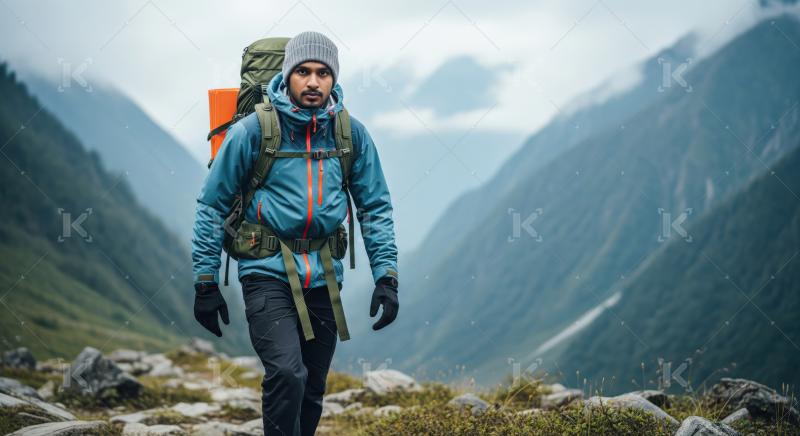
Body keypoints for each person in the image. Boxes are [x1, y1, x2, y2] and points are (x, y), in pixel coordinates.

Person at [190, 31, 399, 435]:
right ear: (287, 75)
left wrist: (386, 277)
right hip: (265, 272)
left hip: (324, 276)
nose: (313, 81)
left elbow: (374, 207)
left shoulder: (349, 134)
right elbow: (212, 205)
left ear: (334, 78)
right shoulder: (253, 131)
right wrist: (205, 281)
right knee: (287, 373)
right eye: (303, 71)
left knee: (312, 388)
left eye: (323, 72)